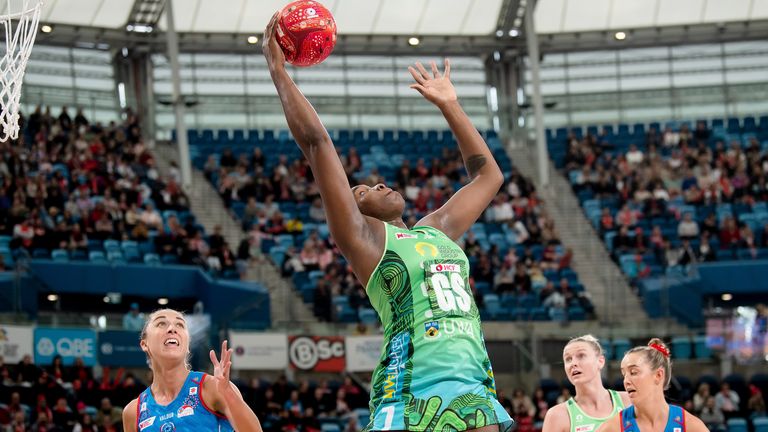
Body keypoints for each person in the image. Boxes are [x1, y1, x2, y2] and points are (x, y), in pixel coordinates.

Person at [264, 13, 512, 432]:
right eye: (362, 191)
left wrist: (450, 106)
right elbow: (316, 143)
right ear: (352, 211)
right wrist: (278, 71)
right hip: (410, 390)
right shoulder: (365, 241)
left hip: (472, 387)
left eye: (375, 184)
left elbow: (489, 176)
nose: (377, 185)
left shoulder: (436, 230)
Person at [121, 309, 262, 431]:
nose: (172, 328)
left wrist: (229, 395)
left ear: (187, 345)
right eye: (161, 323)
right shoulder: (134, 411)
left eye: (180, 324)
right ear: (144, 344)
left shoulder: (211, 387)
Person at [596, 338, 708, 432]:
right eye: (624, 374)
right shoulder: (612, 428)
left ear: (658, 375)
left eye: (633, 372)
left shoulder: (690, 426)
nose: (626, 381)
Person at [543, 335, 630, 432]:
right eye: (568, 359)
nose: (573, 363)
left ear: (600, 361)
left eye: (581, 356)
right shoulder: (557, 416)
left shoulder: (629, 401)